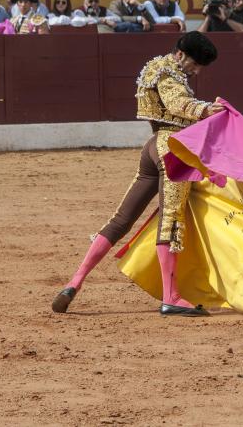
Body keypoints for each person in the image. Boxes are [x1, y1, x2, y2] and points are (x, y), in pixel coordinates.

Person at [52, 32, 224, 317]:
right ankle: (171, 297)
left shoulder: (154, 66)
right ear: (180, 54)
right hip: (172, 150)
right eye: (195, 64)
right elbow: (177, 104)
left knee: (120, 220)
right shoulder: (169, 73)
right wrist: (206, 109)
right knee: (170, 221)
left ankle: (74, 282)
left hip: (153, 147)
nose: (197, 71)